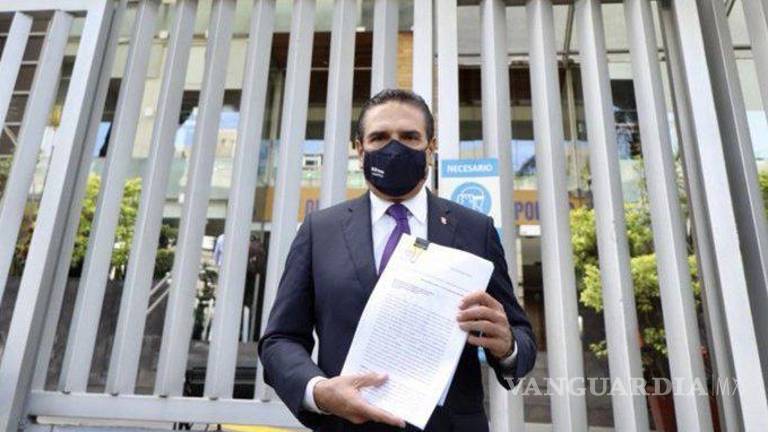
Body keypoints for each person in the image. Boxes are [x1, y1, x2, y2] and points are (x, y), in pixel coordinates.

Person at [258, 89, 536, 431]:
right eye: (379, 137)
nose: (394, 148)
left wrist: (508, 346)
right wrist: (318, 391)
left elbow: (520, 336)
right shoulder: (320, 231)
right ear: (359, 149)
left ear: (430, 148)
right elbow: (280, 340)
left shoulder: (475, 230)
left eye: (409, 137)